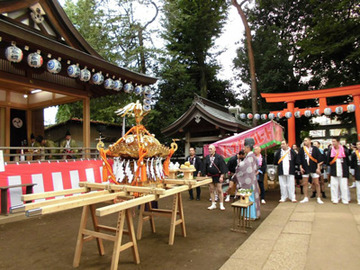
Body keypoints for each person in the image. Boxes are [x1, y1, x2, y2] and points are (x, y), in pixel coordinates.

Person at [233, 138, 261, 219]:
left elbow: (243, 168)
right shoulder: (253, 157)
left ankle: (250, 215)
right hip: (253, 179)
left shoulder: (249, 157)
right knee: (252, 197)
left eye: (245, 147)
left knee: (249, 197)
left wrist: (238, 166)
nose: (243, 148)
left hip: (249, 181)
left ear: (248, 147)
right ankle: (254, 214)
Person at [298, 137, 324, 204]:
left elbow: (319, 159)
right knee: (305, 183)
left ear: (310, 141)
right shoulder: (302, 149)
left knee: (317, 183)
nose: (305, 142)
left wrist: (318, 168)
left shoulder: (315, 149)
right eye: (304, 140)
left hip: (314, 167)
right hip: (305, 166)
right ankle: (305, 197)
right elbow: (299, 159)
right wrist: (300, 167)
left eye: (306, 140)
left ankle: (318, 197)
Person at [202, 144, 228, 210]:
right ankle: (213, 204)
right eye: (209, 149)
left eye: (211, 149)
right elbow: (205, 167)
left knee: (219, 190)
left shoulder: (219, 157)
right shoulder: (207, 157)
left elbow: (223, 167)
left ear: (215, 149)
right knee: (211, 189)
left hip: (218, 175)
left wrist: (222, 176)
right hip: (210, 176)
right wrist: (205, 175)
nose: (209, 150)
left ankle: (221, 204)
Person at [327, 137, 350, 204]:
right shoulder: (330, 150)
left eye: (334, 141)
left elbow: (348, 161)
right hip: (334, 170)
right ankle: (335, 198)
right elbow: (328, 161)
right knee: (334, 186)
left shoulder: (344, 150)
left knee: (344, 186)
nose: (333, 143)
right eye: (332, 141)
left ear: (338, 142)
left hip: (343, 170)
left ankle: (345, 199)